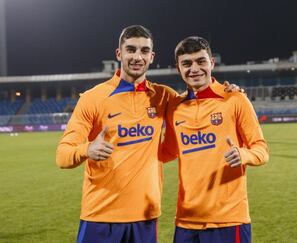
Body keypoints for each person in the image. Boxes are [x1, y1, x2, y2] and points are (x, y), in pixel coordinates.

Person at [56, 25, 240, 243]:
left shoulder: (164, 97)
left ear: (151, 57)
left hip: (146, 217)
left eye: (144, 51)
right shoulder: (92, 98)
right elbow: (62, 156)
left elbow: (199, 98)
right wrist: (87, 149)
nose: (137, 56)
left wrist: (228, 91)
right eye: (131, 49)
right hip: (100, 216)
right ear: (119, 54)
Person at [160, 36, 269, 243]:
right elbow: (168, 152)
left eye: (201, 61)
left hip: (229, 220)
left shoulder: (235, 99)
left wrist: (243, 154)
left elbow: (261, 150)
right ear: (178, 68)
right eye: (187, 63)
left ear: (212, 63)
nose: (194, 69)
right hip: (186, 221)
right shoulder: (174, 107)